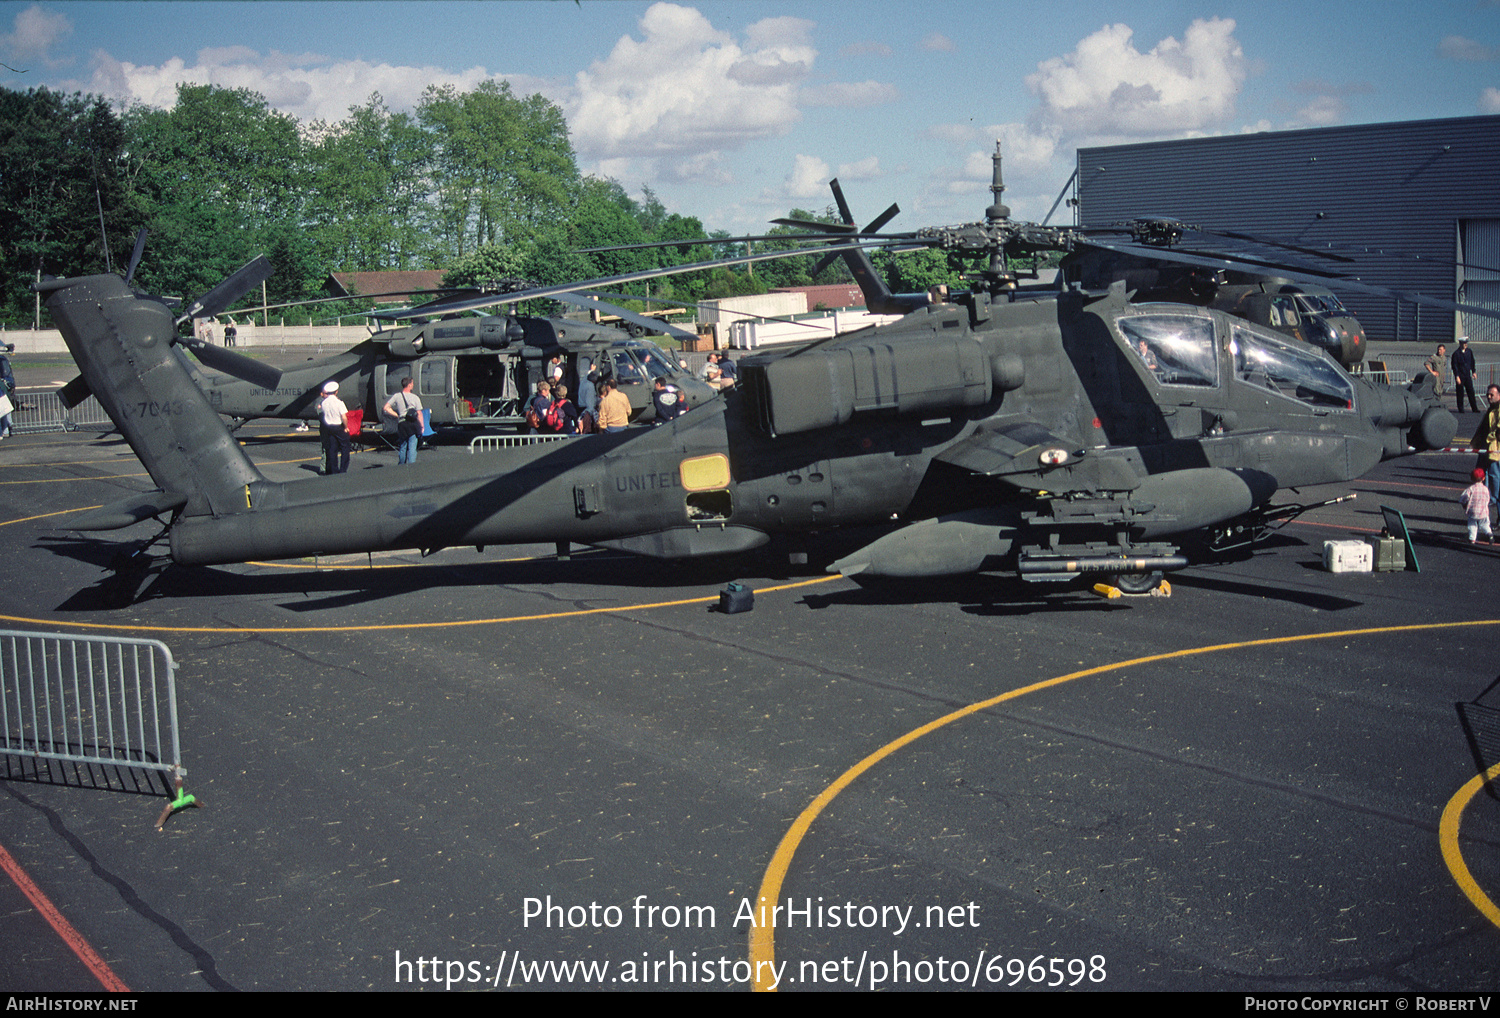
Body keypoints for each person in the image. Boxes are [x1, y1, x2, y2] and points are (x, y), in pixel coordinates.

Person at [1471, 383, 1500, 516]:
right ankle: (1484, 511)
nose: (1489, 397)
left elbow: (1497, 430)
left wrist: (1488, 439)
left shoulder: (1498, 409)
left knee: (1495, 478)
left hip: (1494, 449)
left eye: (1491, 394)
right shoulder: (1491, 409)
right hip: (1485, 448)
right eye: (1488, 394)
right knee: (1482, 476)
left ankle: (1494, 501)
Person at [383, 376, 423, 464]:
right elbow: (419, 413)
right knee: (412, 447)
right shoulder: (415, 397)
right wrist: (422, 426)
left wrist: (397, 415)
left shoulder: (397, 396)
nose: (413, 385)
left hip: (402, 423)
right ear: (409, 385)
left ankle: (401, 465)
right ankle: (411, 466)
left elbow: (386, 407)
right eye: (412, 383)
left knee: (403, 446)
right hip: (413, 423)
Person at [317, 380, 350, 475]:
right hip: (338, 426)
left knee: (332, 449)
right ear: (336, 392)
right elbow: (344, 416)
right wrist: (346, 427)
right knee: (345, 449)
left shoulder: (324, 403)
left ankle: (333, 470)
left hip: (329, 428)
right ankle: (343, 469)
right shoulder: (339, 403)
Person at [1461, 467, 1494, 544]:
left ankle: (1472, 538)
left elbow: (1463, 498)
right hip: (1483, 511)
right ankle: (1489, 534)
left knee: (1472, 524)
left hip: (1473, 511)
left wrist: (1464, 505)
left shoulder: (1470, 489)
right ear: (1483, 478)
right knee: (1485, 524)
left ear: (1472, 479)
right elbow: (1487, 499)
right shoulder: (1485, 489)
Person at [1452, 337, 1479, 413]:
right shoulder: (1456, 354)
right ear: (1460, 344)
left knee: (1471, 392)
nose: (1466, 345)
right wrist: (1457, 376)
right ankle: (1461, 409)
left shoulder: (1469, 352)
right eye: (1464, 343)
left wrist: (1473, 371)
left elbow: (1472, 362)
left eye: (1466, 343)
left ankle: (1474, 408)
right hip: (1460, 376)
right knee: (1460, 393)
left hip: (1467, 375)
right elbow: (1455, 366)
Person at [0, 342, 14, 440]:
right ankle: (8, 428)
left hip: (4, 388)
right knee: (5, 409)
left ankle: (5, 430)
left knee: (4, 410)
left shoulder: (2, 361)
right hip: (5, 387)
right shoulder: (3, 361)